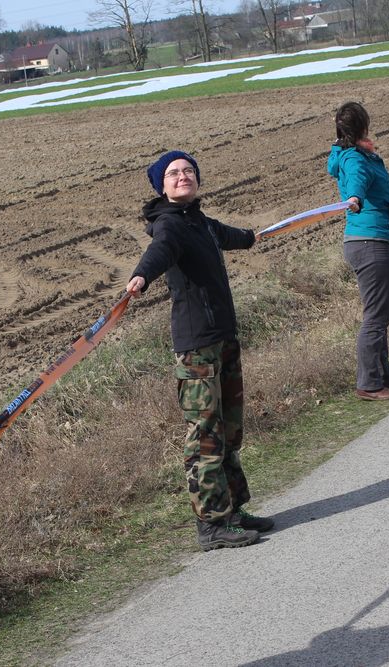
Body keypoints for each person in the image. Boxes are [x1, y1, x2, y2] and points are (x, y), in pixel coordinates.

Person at [126, 150, 273, 552]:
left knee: (229, 430)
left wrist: (252, 237)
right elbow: (159, 253)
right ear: (161, 185)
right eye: (173, 173)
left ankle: (234, 511)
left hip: (223, 338)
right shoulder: (169, 226)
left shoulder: (200, 221)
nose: (182, 176)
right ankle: (211, 524)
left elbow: (230, 236)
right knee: (206, 436)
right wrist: (142, 275)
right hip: (197, 348)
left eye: (188, 170)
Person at [326, 102, 389, 401]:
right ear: (362, 126)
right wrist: (355, 197)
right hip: (369, 243)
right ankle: (369, 383)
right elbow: (357, 181)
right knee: (376, 317)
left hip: (369, 240)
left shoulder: (357, 153)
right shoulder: (354, 158)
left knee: (380, 314)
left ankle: (384, 375)